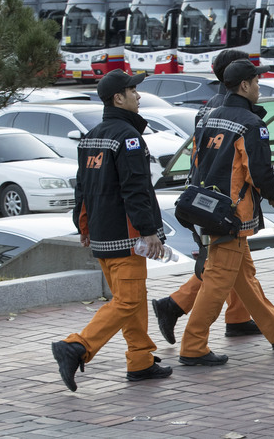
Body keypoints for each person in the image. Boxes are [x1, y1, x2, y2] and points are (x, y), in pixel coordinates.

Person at [51, 69, 172, 392]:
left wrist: (83, 225)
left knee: (131, 298)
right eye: (133, 90)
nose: (139, 96)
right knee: (129, 301)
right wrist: (148, 231)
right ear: (119, 98)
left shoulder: (92, 137)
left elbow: (83, 189)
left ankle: (141, 361)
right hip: (127, 236)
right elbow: (135, 189)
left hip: (103, 236)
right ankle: (76, 346)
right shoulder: (127, 138)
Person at [178, 59, 274, 367]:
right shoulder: (251, 124)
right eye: (256, 82)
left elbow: (197, 161)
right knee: (216, 281)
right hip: (232, 213)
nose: (258, 87)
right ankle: (193, 345)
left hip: (207, 207)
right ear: (244, 86)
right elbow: (258, 170)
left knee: (240, 274)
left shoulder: (209, 117)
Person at [152, 50, 261, 345]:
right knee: (221, 267)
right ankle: (175, 307)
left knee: (237, 266)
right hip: (227, 202)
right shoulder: (233, 112)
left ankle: (238, 317)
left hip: (205, 196)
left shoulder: (209, 108)